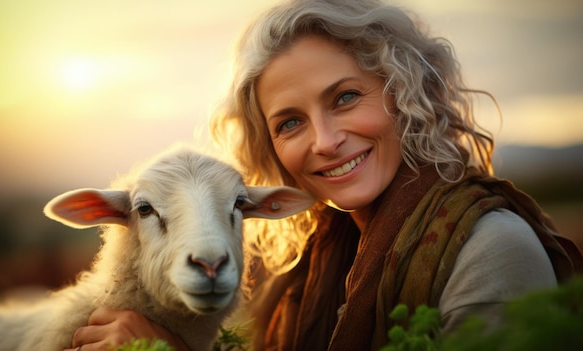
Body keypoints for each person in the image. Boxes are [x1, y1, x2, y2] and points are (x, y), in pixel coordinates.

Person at [65, 0, 583, 350]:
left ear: (403, 92)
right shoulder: (314, 266)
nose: (325, 140)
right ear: (270, 144)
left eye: (346, 97)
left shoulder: (492, 251)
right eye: (290, 122)